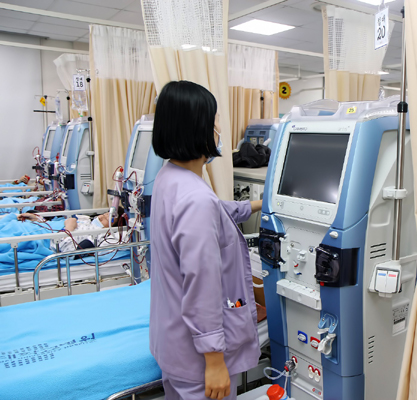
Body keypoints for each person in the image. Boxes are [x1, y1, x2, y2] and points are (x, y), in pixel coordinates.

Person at [150, 81, 261, 400]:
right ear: (199, 128)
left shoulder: (169, 178)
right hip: (198, 361)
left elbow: (214, 212)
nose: (219, 129)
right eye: (215, 120)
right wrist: (214, 361)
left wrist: (257, 204)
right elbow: (202, 286)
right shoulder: (195, 198)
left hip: (173, 344)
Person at [17, 208, 127, 252]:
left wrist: (69, 227)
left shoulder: (96, 235)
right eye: (105, 214)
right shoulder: (87, 222)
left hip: (47, 239)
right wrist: (38, 219)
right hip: (45, 228)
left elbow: (67, 248)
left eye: (108, 219)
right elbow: (57, 224)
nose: (104, 216)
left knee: (17, 235)